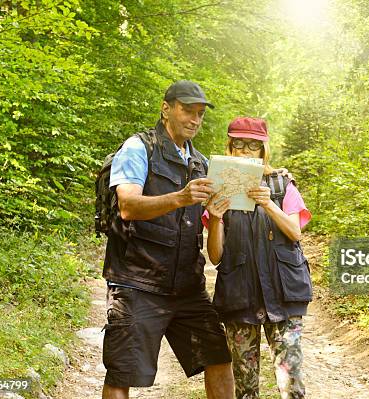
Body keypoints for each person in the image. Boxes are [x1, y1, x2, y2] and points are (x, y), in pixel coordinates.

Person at [101, 80, 234, 399]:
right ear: (166, 108)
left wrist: (216, 215)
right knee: (123, 372)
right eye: (187, 111)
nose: (195, 119)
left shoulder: (201, 163)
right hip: (137, 283)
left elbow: (204, 232)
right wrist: (181, 197)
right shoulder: (138, 147)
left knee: (219, 358)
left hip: (187, 286)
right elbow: (128, 206)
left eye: (200, 114)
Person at [203, 117, 313, 399]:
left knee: (292, 383)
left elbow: (294, 232)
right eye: (238, 144)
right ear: (229, 148)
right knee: (245, 384)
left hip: (283, 294)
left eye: (252, 145)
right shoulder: (218, 187)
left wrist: (268, 204)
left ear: (263, 150)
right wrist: (215, 219)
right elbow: (215, 257)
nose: (245, 151)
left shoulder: (282, 184)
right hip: (240, 296)